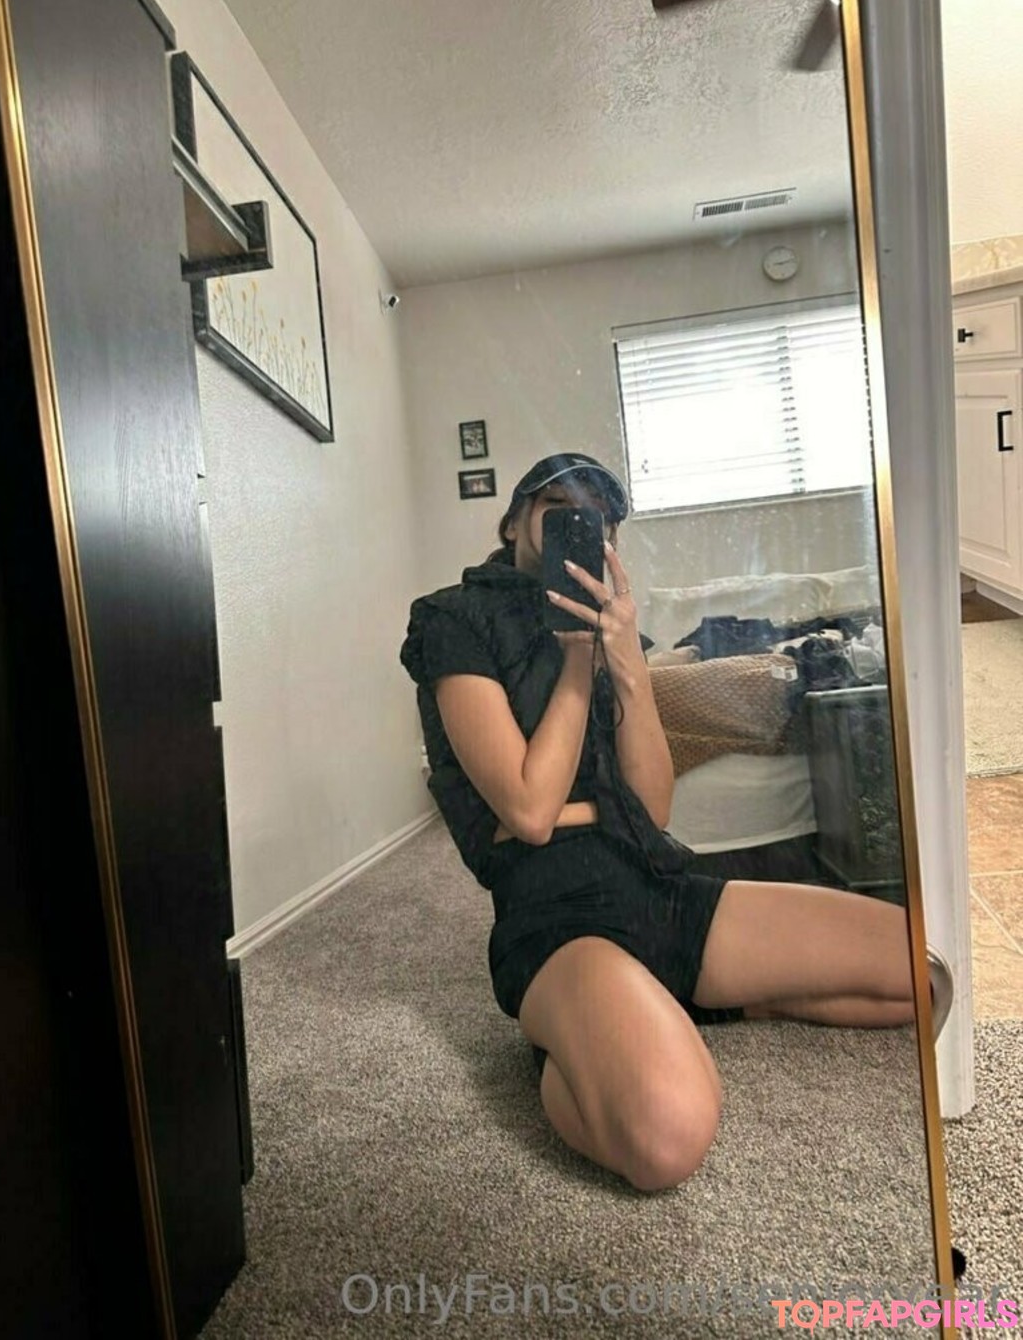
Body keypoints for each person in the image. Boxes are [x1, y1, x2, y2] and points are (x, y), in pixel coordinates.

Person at [400, 452, 949, 1193]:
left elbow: (653, 808)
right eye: (560, 509)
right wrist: (576, 662)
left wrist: (626, 661)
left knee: (920, 974)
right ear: (514, 521)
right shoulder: (452, 620)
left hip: (659, 881)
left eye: (600, 522)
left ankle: (688, 1000)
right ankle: (581, 1043)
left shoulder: (611, 629)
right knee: (666, 1140)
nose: (581, 526)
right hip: (558, 913)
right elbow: (529, 811)